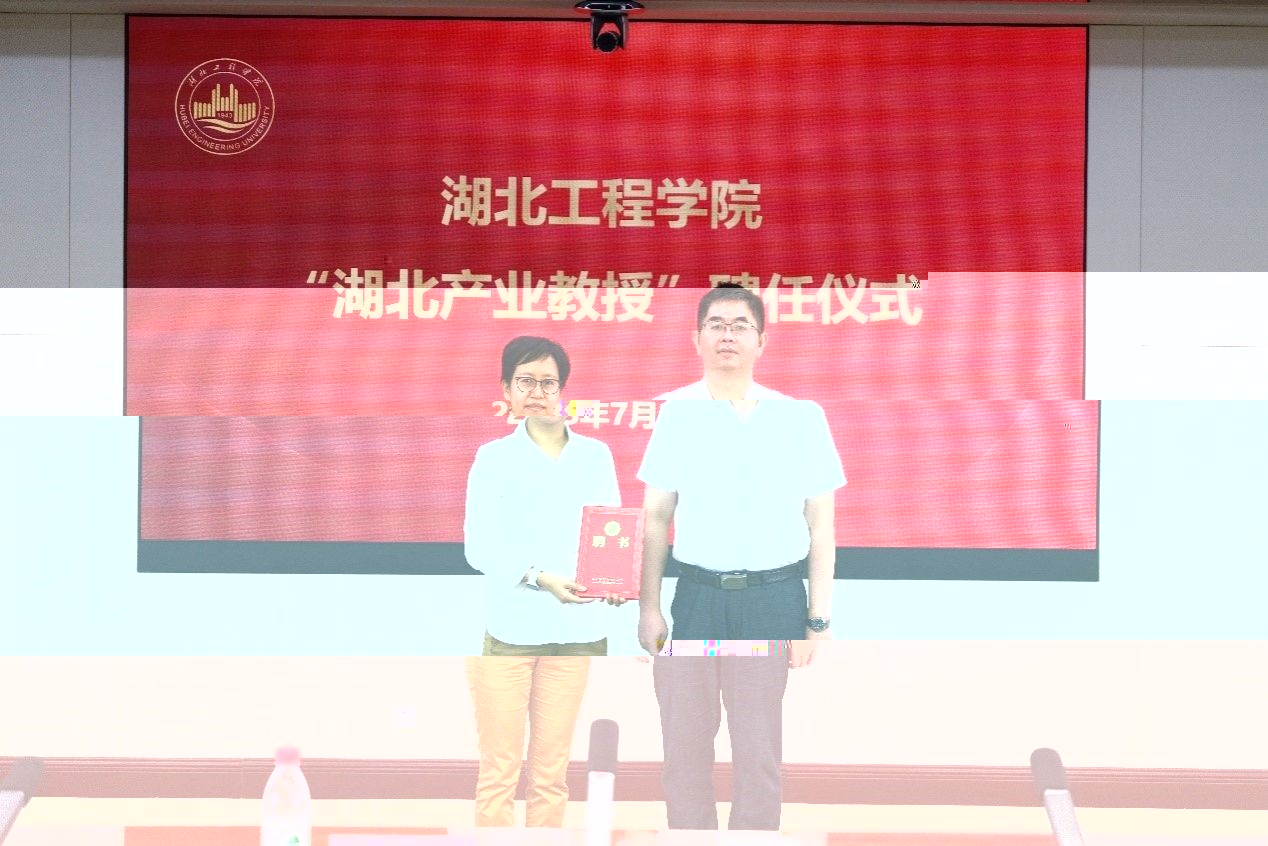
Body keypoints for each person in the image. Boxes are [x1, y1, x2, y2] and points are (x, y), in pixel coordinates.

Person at [636, 284, 846, 830]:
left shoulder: (799, 417)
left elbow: (820, 526)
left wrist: (817, 620)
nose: (727, 335)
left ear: (761, 341)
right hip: (697, 600)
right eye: (716, 324)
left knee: (757, 750)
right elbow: (656, 517)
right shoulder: (677, 414)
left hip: (771, 602)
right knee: (684, 746)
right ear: (697, 339)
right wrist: (648, 608)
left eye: (740, 325)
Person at [462, 335, 626, 828]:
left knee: (552, 774)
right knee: (499, 771)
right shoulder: (492, 457)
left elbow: (612, 532)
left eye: (547, 382)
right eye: (525, 381)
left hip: (576, 633)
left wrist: (616, 579)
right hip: (510, 631)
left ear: (562, 390)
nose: (537, 391)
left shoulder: (596, 455)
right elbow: (479, 547)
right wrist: (539, 578)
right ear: (506, 390)